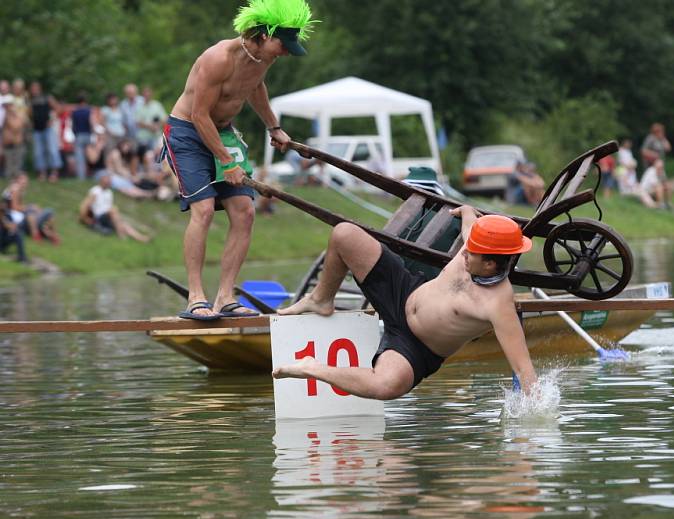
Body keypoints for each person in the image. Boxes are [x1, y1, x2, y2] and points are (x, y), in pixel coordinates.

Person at [273, 209, 539, 399]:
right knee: (344, 234)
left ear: (491, 263)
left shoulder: (498, 304)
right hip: (404, 291)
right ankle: (321, 299)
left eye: (471, 253)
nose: (464, 251)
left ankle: (314, 368)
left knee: (386, 386)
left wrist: (537, 412)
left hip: (416, 346)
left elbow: (523, 367)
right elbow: (471, 223)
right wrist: (467, 211)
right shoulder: (478, 246)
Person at [163, 0, 317, 321]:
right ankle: (196, 298)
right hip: (188, 132)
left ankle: (225, 297)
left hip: (223, 132)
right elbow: (199, 115)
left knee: (245, 212)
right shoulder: (217, 59)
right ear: (260, 35)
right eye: (282, 44)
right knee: (203, 211)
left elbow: (254, 87)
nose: (286, 52)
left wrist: (274, 126)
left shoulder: (264, 56)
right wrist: (226, 161)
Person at [79, 171, 151, 242]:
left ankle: (140, 238)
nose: (109, 181)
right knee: (114, 210)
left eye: (109, 179)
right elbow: (85, 205)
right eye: (107, 179)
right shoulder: (95, 191)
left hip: (109, 216)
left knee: (124, 224)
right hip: (99, 216)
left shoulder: (109, 192)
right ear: (102, 180)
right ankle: (121, 236)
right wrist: (85, 218)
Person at [28, 81, 63, 182]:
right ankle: (42, 173)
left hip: (47, 129)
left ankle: (54, 173)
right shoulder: (31, 100)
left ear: (39, 88)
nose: (34, 90)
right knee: (38, 152)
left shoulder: (47, 97)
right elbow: (29, 113)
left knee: (52, 150)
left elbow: (59, 108)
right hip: (36, 130)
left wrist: (52, 120)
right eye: (32, 88)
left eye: (35, 88)